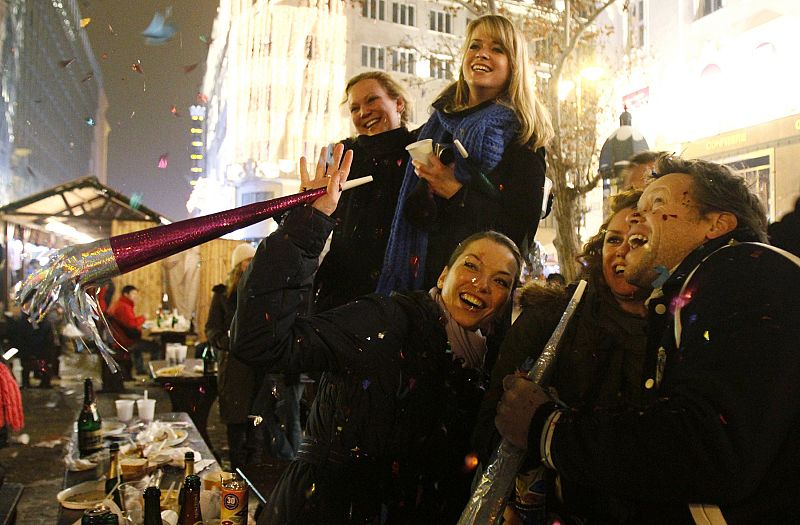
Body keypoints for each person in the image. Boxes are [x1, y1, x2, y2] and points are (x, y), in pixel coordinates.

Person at [495, 154, 800, 522]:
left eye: (657, 203)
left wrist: (549, 429)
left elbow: (710, 445)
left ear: (716, 224)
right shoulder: (692, 294)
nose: (637, 217)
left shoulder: (740, 270)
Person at [230, 144, 523, 524]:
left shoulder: (494, 369)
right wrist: (307, 227)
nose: (481, 284)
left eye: (500, 281)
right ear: (442, 275)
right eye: (471, 266)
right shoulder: (388, 319)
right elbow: (264, 341)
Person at [475, 191, 650, 523]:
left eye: (639, 240)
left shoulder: (677, 331)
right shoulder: (550, 318)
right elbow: (490, 429)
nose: (623, 251)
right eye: (614, 239)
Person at [377, 14, 553, 296]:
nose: (481, 54)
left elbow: (518, 232)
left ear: (514, 65)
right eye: (474, 46)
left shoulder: (524, 135)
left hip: (477, 294)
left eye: (497, 49)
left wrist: (457, 193)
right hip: (420, 284)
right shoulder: (438, 123)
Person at [311, 71, 416, 313]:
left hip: (400, 292)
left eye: (372, 100)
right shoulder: (342, 156)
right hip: (342, 292)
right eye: (354, 108)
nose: (363, 112)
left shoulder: (418, 150)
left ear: (398, 103)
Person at [205, 242, 263, 470]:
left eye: (253, 260)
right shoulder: (222, 295)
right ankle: (238, 470)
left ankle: (254, 469)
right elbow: (212, 328)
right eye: (247, 260)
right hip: (233, 364)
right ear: (237, 265)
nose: (250, 265)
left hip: (257, 364)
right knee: (235, 419)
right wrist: (227, 342)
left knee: (255, 418)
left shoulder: (261, 291)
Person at [107, 285, 159, 379]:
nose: (136, 296)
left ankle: (140, 370)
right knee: (156, 347)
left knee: (139, 342)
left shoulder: (119, 304)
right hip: (124, 342)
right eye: (133, 293)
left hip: (119, 339)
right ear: (126, 294)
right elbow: (132, 324)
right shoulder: (123, 306)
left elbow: (129, 324)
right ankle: (154, 374)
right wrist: (143, 318)